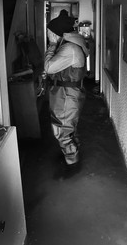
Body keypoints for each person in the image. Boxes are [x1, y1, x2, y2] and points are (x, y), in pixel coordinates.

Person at [44, 12, 89, 165]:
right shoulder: (71, 44)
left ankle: (72, 165)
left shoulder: (69, 48)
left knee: (63, 130)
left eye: (50, 32)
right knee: (69, 128)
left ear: (56, 33)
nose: (48, 34)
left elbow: (49, 67)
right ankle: (73, 154)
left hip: (67, 95)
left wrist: (51, 46)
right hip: (68, 93)